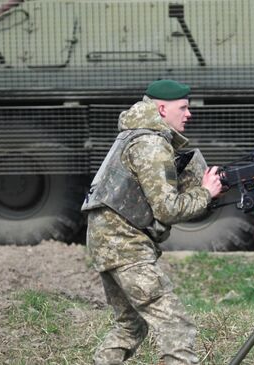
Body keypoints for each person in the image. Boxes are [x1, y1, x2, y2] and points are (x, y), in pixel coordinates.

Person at [81, 79, 223, 365]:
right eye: (183, 108)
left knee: (129, 326)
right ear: (161, 109)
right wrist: (205, 193)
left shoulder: (133, 135)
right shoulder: (151, 143)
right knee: (176, 326)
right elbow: (167, 209)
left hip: (106, 244)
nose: (189, 114)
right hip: (126, 246)